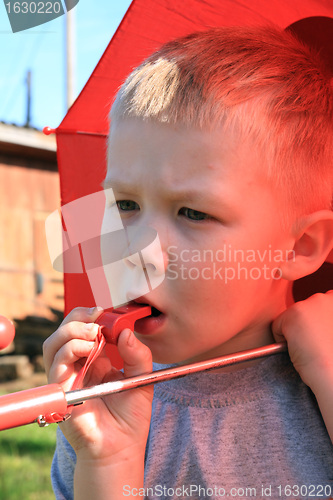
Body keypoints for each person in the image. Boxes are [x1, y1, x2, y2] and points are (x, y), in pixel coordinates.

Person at [44, 26, 333, 499]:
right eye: (124, 206)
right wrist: (110, 459)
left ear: (300, 246)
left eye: (193, 212)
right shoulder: (99, 412)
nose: (136, 249)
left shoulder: (324, 385)